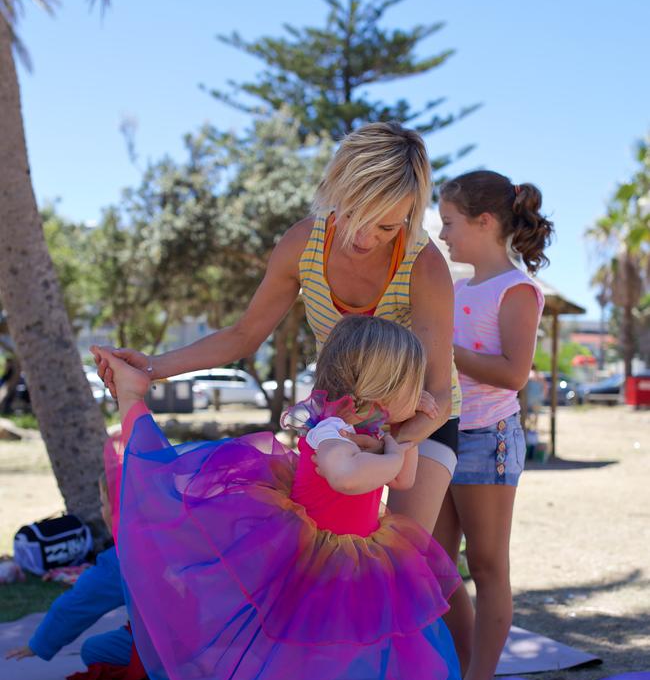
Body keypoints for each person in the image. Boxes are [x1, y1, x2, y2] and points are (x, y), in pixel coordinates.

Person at [93, 316, 461, 680]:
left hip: (367, 550)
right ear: (382, 384)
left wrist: (407, 432)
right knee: (294, 659)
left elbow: (405, 480)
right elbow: (347, 476)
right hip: (316, 556)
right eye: (414, 383)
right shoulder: (329, 429)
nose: (423, 392)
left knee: (405, 643)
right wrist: (392, 453)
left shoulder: (371, 427)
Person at [94, 121, 461, 540]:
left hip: (417, 423)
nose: (366, 237)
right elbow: (244, 336)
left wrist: (387, 447)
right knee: (324, 553)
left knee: (404, 557)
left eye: (387, 226)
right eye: (357, 215)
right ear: (335, 189)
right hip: (341, 422)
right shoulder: (303, 244)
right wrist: (153, 367)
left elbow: (439, 393)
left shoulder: (424, 263)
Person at [434, 171, 552, 680]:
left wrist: (444, 351)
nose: (442, 234)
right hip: (442, 436)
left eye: (450, 223)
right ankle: (460, 673)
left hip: (489, 440)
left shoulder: (518, 289)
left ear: (484, 222)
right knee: (433, 565)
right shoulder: (456, 289)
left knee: (485, 566)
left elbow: (513, 374)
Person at [5, 475, 146, 680]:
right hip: (205, 637)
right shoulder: (184, 540)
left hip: (166, 647)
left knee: (92, 649)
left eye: (103, 503)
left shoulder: (121, 561)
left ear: (118, 512)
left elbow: (77, 605)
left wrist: (39, 644)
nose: (101, 510)